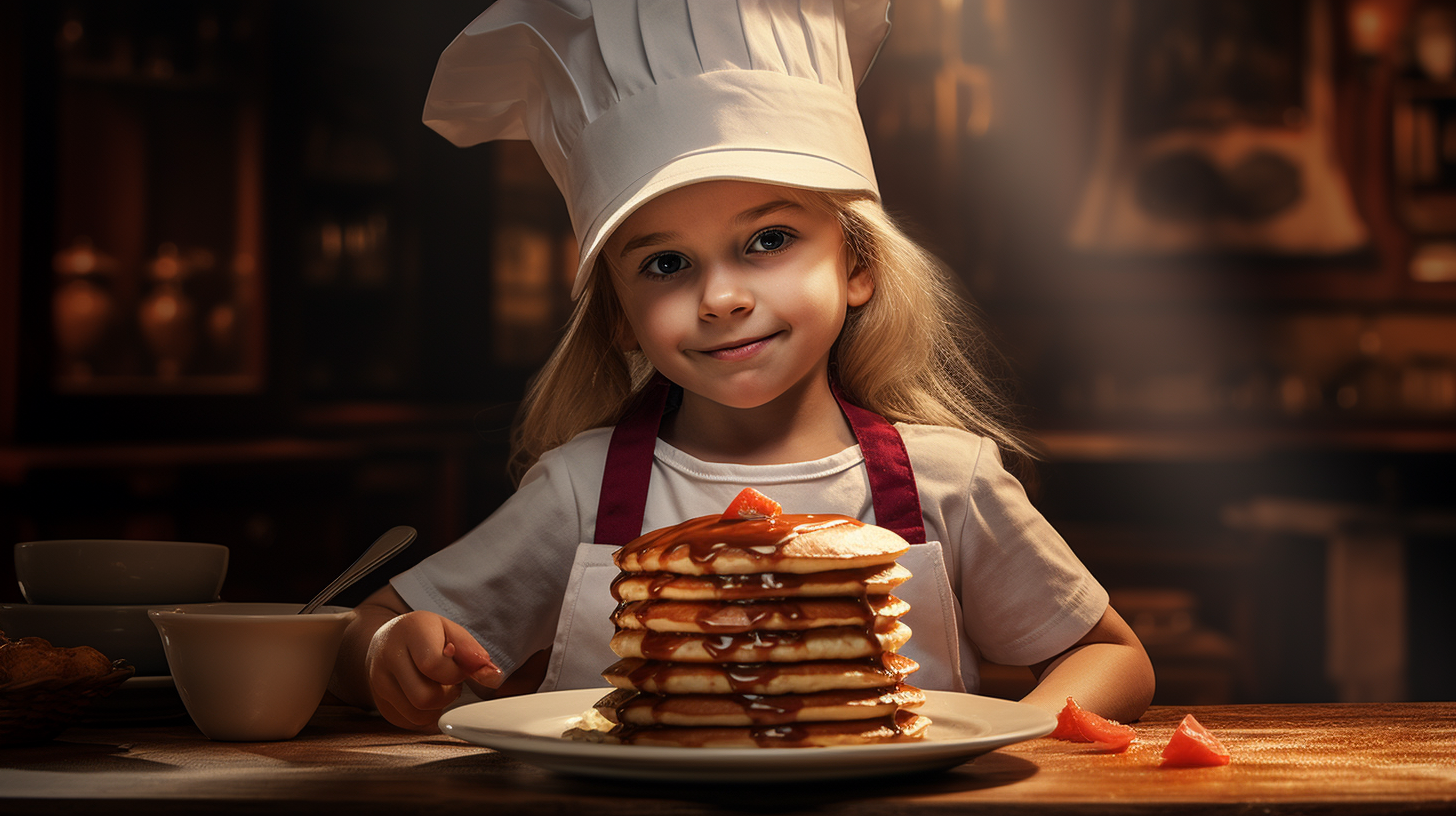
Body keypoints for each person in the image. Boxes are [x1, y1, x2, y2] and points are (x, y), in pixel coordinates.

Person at [329, 0, 1155, 733]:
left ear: (856, 264)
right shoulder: (580, 491)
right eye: (665, 265)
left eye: (769, 240)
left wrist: (1007, 739)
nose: (721, 297)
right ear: (619, 316)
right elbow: (367, 628)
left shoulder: (947, 481)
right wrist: (387, 653)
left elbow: (1114, 659)